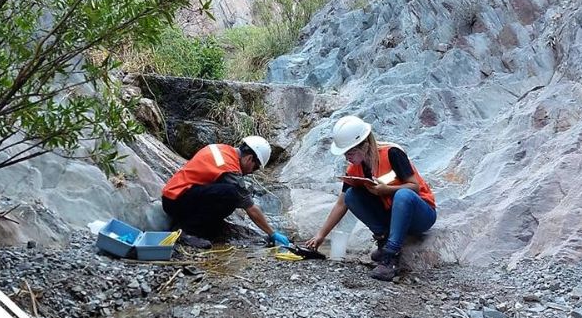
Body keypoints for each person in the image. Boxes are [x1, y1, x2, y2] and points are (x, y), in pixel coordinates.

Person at [305, 116, 436, 281]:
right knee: (352, 195)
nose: (347, 157)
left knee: (403, 195)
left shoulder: (392, 153)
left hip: (420, 214)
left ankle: (391, 256)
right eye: (345, 153)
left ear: (365, 146)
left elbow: (414, 187)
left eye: (350, 152)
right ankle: (384, 241)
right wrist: (321, 235)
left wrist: (386, 190)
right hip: (391, 215)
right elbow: (342, 202)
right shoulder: (354, 169)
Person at [162, 136, 290, 249]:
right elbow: (250, 207)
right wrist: (271, 233)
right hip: (176, 201)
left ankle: (191, 224)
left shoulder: (221, 149)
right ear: (249, 158)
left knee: (225, 192)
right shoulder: (229, 168)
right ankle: (188, 232)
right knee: (231, 194)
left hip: (174, 196)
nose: (252, 172)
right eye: (255, 167)